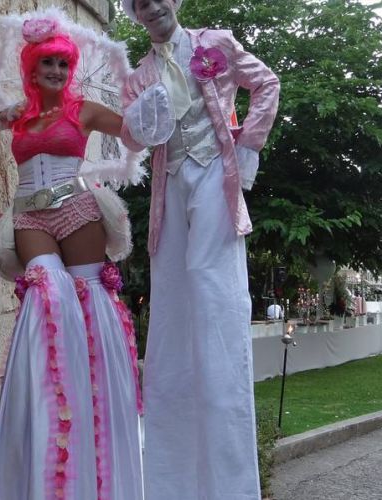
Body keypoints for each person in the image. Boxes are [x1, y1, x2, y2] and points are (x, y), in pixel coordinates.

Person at [0, 12, 143, 500]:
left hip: (77, 211)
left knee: (90, 298)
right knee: (47, 293)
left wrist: (154, 102)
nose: (57, 72)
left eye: (63, 63)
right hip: (29, 217)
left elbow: (136, 131)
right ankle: (49, 409)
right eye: (48, 65)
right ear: (32, 70)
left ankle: (95, 403)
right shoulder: (22, 113)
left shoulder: (85, 110)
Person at [119, 0, 280, 498]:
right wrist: (137, 126)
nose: (152, 7)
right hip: (171, 187)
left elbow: (268, 83)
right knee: (170, 313)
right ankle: (170, 483)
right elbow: (131, 136)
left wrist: (249, 145)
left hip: (216, 173)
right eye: (140, 3)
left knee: (215, 298)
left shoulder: (214, 43)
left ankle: (227, 482)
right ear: (135, 14)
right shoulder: (138, 75)